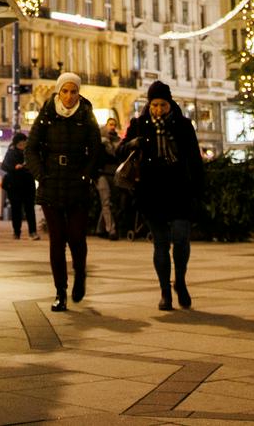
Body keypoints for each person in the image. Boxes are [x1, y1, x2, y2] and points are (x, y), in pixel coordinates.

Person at [118, 80, 205, 311]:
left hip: (179, 189)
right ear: (149, 104)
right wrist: (132, 143)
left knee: (181, 240)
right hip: (152, 190)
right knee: (160, 244)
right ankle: (165, 291)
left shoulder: (184, 125)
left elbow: (195, 160)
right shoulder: (139, 124)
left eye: (162, 105)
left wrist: (198, 191)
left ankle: (181, 281)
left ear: (170, 103)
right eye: (154, 105)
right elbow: (120, 149)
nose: (158, 109)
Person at [26, 72, 106, 312]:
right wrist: (42, 175)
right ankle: (60, 292)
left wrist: (86, 174)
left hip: (77, 185)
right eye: (65, 91)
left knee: (77, 238)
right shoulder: (47, 115)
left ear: (78, 92)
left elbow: (96, 150)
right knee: (57, 241)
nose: (69, 96)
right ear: (58, 92)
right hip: (51, 185)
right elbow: (30, 150)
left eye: (73, 91)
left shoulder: (86, 115)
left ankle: (80, 274)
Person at [1, 132, 38, 240]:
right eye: (21, 144)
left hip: (28, 184)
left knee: (30, 209)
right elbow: (5, 166)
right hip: (14, 185)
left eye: (24, 143)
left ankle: (33, 231)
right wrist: (15, 166)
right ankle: (16, 232)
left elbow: (35, 165)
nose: (23, 146)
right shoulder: (11, 153)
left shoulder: (30, 153)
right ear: (16, 143)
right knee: (16, 209)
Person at [95, 121, 122, 239]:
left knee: (110, 202)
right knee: (106, 202)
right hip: (101, 173)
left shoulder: (118, 142)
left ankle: (100, 229)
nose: (112, 126)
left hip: (113, 173)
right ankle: (111, 230)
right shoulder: (100, 142)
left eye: (114, 124)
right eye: (110, 124)